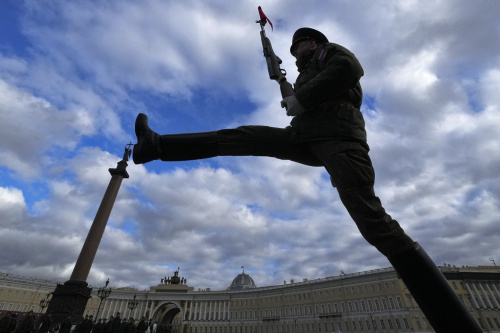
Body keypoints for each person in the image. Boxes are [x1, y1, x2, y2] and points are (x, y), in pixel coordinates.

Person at [132, 27, 481, 333]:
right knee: (243, 136)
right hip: (304, 137)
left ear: (312, 43)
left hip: (341, 140)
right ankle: (157, 146)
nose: (296, 50)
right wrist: (282, 81)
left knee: (375, 224)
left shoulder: (330, 53)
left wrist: (301, 97)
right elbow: (294, 102)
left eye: (299, 45)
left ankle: (456, 323)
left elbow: (350, 69)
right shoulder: (303, 75)